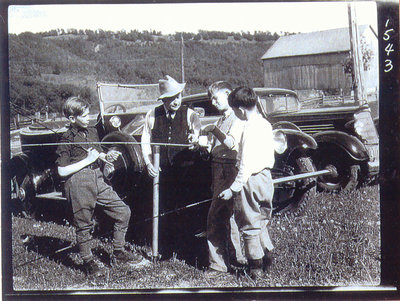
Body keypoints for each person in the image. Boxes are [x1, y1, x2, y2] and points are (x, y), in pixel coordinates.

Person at [56, 96, 143, 277]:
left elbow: (96, 152)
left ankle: (118, 252)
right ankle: (88, 261)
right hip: (78, 182)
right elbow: (62, 171)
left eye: (89, 113)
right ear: (72, 118)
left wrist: (106, 157)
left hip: (98, 177)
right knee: (84, 225)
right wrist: (87, 160)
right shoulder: (66, 138)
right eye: (84, 115)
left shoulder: (92, 131)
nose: (88, 117)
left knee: (123, 212)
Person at [141, 75, 201, 258]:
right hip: (162, 171)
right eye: (171, 98)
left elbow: (198, 134)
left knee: (185, 208)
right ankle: (164, 249)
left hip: (185, 172)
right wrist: (148, 163)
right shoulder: (152, 115)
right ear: (164, 99)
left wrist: (195, 140)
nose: (176, 101)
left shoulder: (190, 114)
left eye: (179, 97)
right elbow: (145, 141)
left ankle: (186, 248)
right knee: (162, 208)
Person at [219, 86, 275, 280]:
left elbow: (246, 165)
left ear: (241, 110)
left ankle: (255, 268)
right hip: (266, 178)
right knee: (261, 220)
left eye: (235, 111)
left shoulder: (249, 129)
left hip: (250, 180)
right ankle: (268, 256)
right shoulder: (266, 124)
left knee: (249, 224)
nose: (235, 114)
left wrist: (232, 189)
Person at [199, 81, 246, 278]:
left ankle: (219, 265)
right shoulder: (222, 119)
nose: (212, 101)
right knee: (230, 217)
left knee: (217, 217)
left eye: (216, 97)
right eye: (210, 98)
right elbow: (217, 146)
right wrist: (204, 147)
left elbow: (231, 143)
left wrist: (211, 130)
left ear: (228, 94)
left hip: (230, 170)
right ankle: (239, 258)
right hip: (218, 168)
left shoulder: (236, 118)